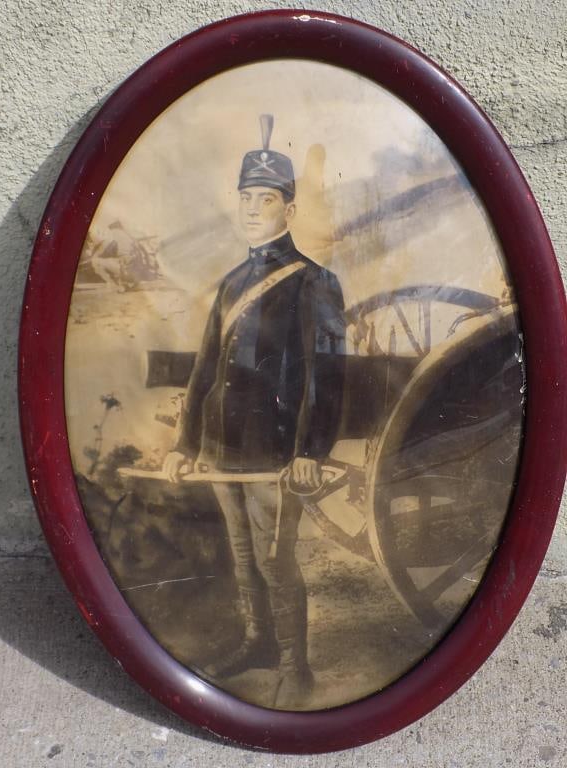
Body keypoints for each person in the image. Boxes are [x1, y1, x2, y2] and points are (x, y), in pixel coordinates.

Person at [163, 115, 346, 708]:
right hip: (223, 448)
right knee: (243, 556)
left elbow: (326, 373)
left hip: (275, 450)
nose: (251, 209)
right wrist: (184, 445)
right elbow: (203, 368)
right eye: (245, 198)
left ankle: (296, 665)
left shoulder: (314, 282)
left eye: (265, 199)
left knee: (275, 558)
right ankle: (256, 642)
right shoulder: (230, 281)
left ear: (288, 211)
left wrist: (310, 451)